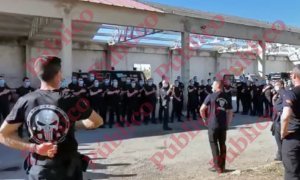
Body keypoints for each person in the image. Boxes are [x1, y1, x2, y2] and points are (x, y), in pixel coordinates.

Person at [0, 56, 103, 180]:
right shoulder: (71, 99)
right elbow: (97, 121)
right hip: (69, 170)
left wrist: (34, 148)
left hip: (39, 170)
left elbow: (3, 135)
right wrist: (70, 123)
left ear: (38, 75)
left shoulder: (25, 101)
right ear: (59, 74)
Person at [200, 80, 233, 173]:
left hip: (212, 124)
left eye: (213, 85)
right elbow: (230, 112)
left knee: (214, 144)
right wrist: (228, 123)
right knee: (222, 145)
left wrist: (204, 119)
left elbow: (202, 109)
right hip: (223, 125)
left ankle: (217, 167)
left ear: (217, 86)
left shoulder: (210, 96)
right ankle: (222, 167)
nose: (212, 87)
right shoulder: (227, 96)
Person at [281, 65, 300, 180]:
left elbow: (285, 115)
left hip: (293, 137)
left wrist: (283, 132)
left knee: (292, 173)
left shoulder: (291, 93)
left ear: (293, 76)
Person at [271, 80, 285, 161]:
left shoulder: (284, 93)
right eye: (275, 85)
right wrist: (273, 100)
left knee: (279, 139)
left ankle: (281, 156)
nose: (275, 86)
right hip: (276, 119)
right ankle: (279, 155)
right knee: (278, 139)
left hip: (279, 120)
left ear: (282, 85)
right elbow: (276, 106)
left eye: (277, 85)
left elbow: (283, 107)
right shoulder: (278, 94)